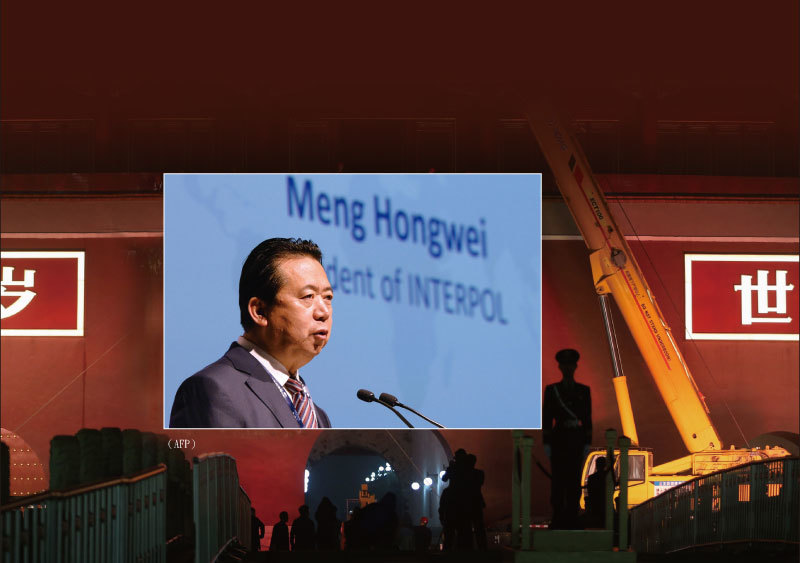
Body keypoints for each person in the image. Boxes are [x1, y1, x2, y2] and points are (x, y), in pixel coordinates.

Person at [169, 238, 333, 428]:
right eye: (308, 296)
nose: (324, 312)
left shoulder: (319, 416)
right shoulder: (213, 390)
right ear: (259, 311)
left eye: (328, 297)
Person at [542, 348, 592, 529]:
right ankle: (558, 516)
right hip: (560, 438)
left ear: (575, 367)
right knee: (558, 480)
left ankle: (572, 515)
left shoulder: (584, 391)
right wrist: (547, 442)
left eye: (570, 365)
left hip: (575, 438)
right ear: (560, 367)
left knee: (573, 479)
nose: (568, 368)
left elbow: (587, 418)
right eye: (565, 365)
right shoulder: (552, 390)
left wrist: (587, 442)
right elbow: (547, 418)